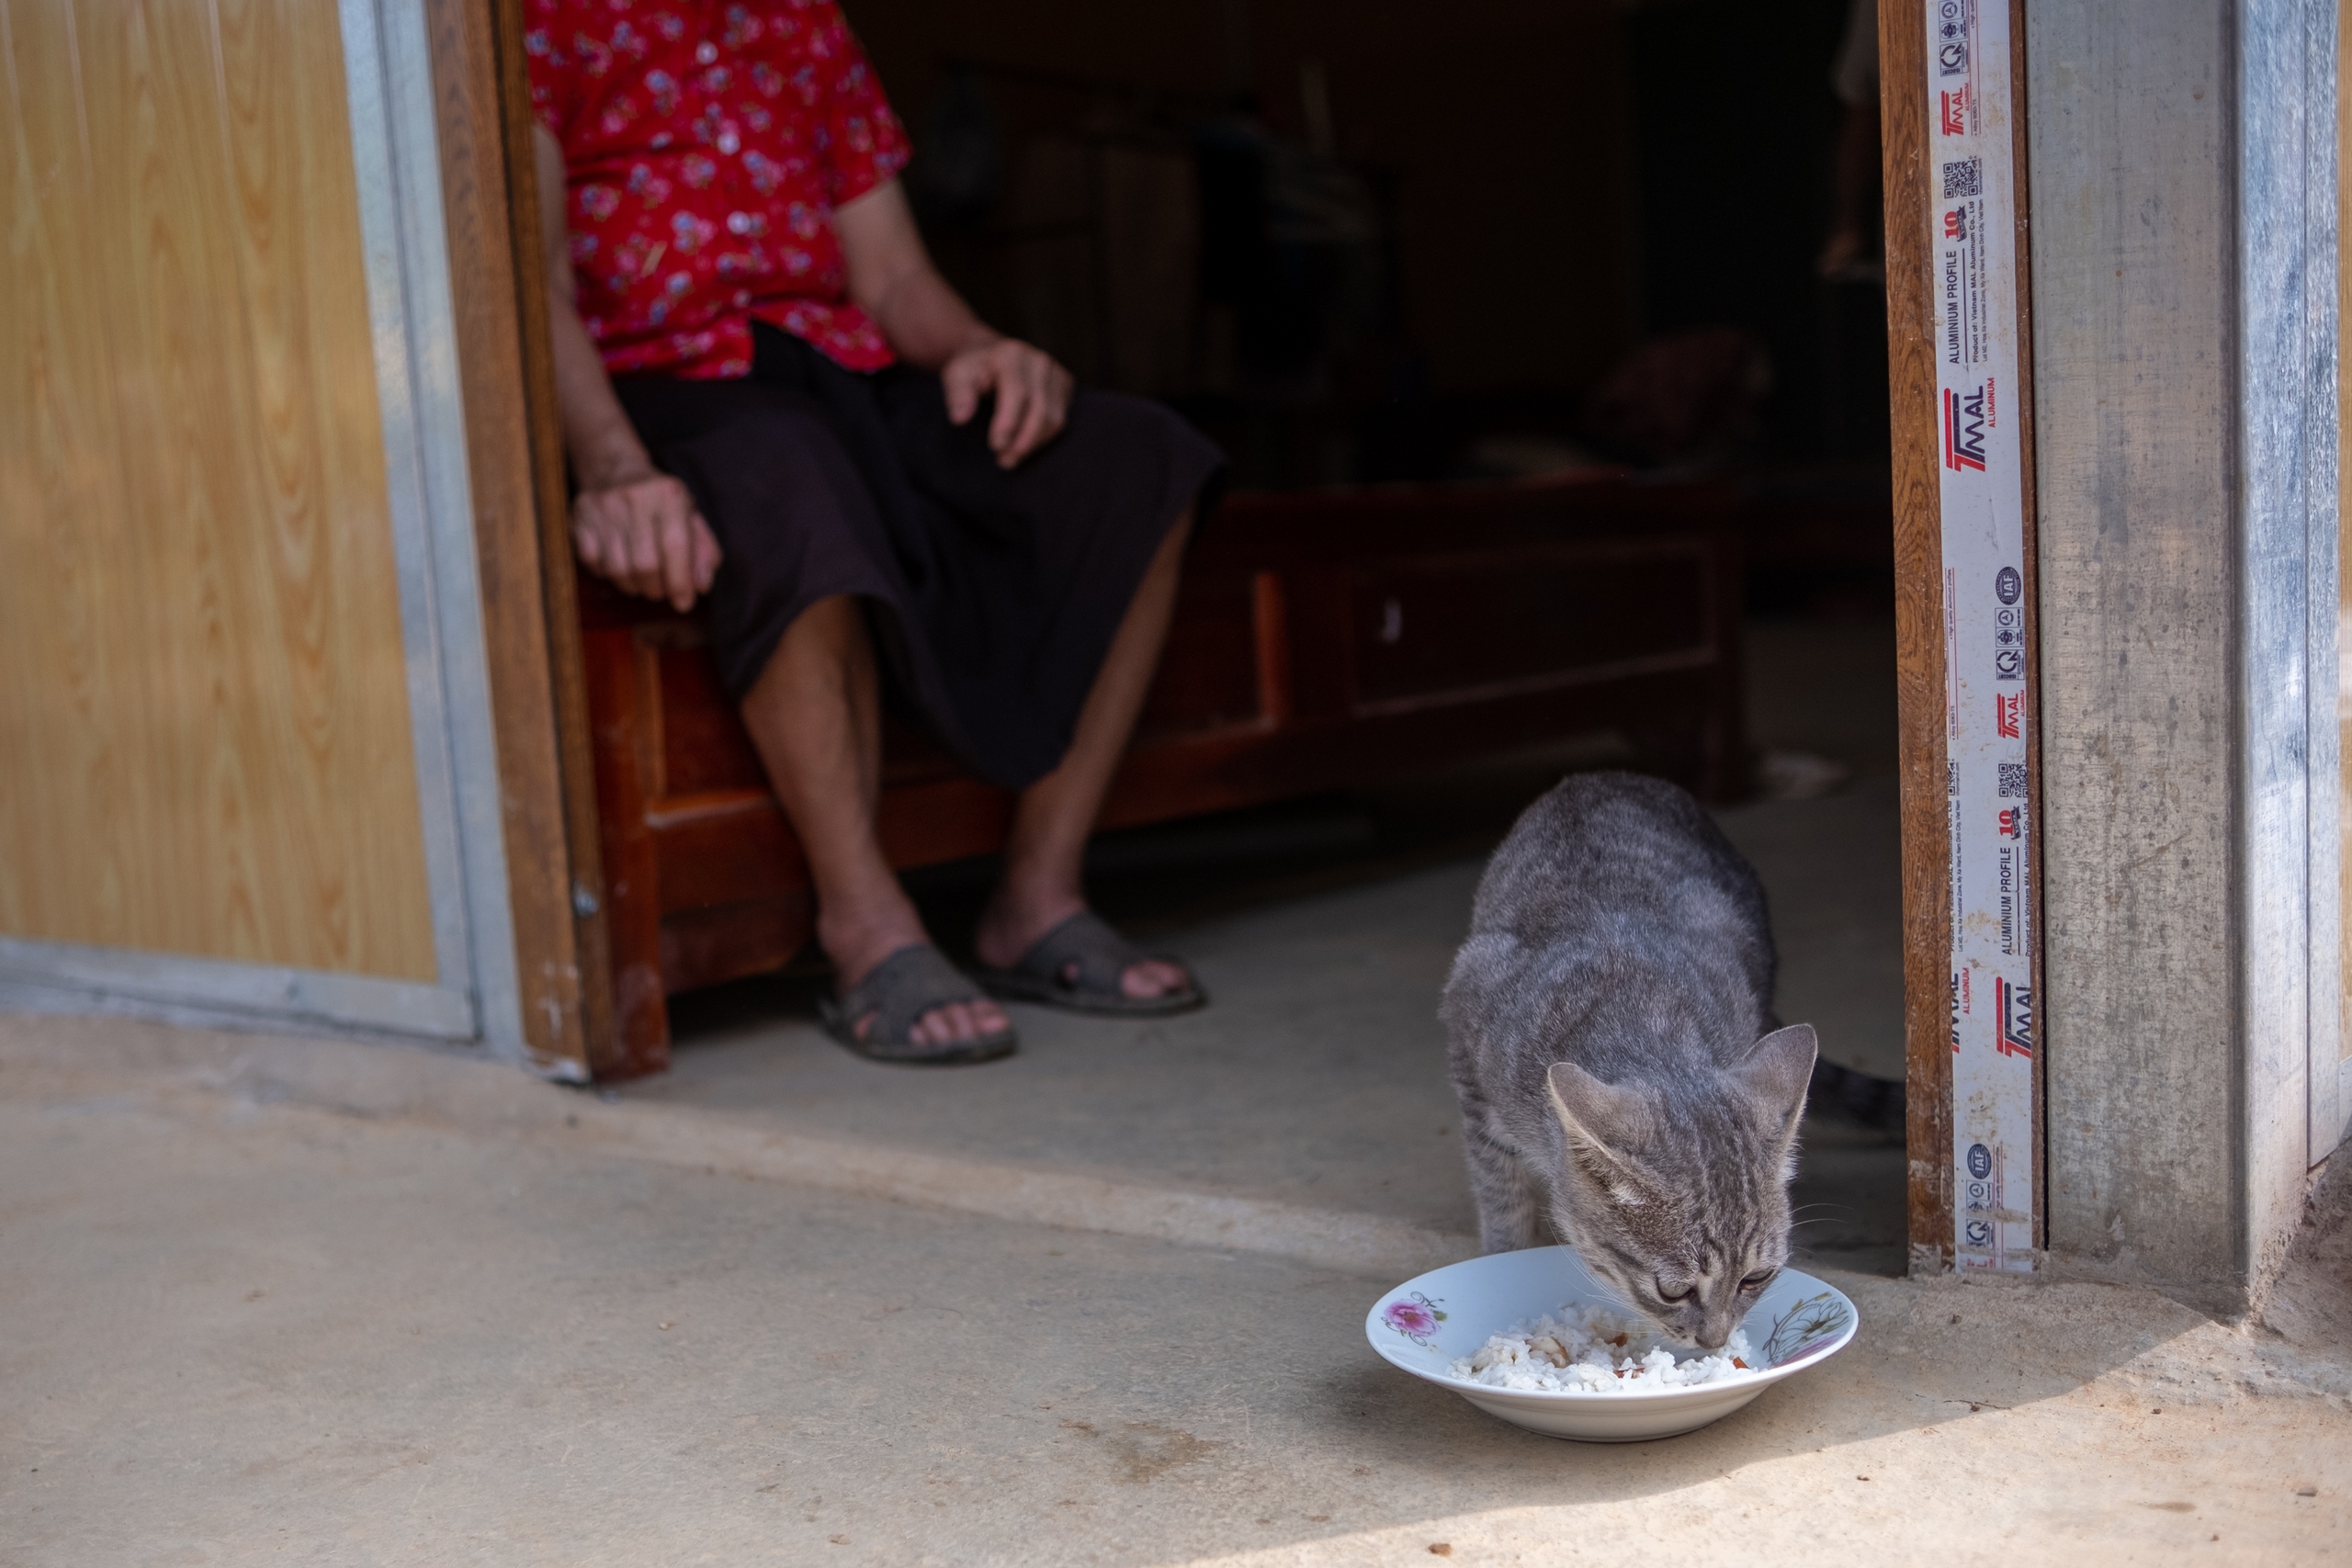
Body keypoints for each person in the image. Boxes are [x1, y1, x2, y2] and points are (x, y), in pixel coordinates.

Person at [523, 1, 1225, 1065]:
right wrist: (611, 468)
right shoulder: (537, 23)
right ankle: (865, 923)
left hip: (842, 375)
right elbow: (536, 285)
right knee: (782, 467)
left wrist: (982, 349)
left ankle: (1035, 896)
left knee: (1135, 455)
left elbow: (891, 277)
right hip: (669, 385)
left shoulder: (800, 19)